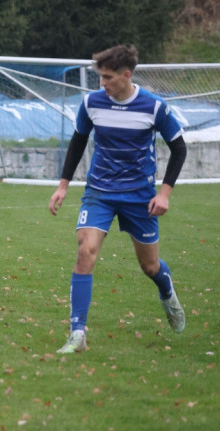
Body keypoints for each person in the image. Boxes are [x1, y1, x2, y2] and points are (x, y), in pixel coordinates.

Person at [49, 44, 188, 354]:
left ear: (126, 75)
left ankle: (167, 294)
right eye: (100, 77)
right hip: (99, 193)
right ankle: (77, 334)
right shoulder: (92, 103)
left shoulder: (154, 107)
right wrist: (62, 186)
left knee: (150, 266)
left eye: (108, 78)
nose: (102, 84)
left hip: (139, 197)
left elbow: (179, 148)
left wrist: (164, 193)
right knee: (86, 250)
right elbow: (78, 142)